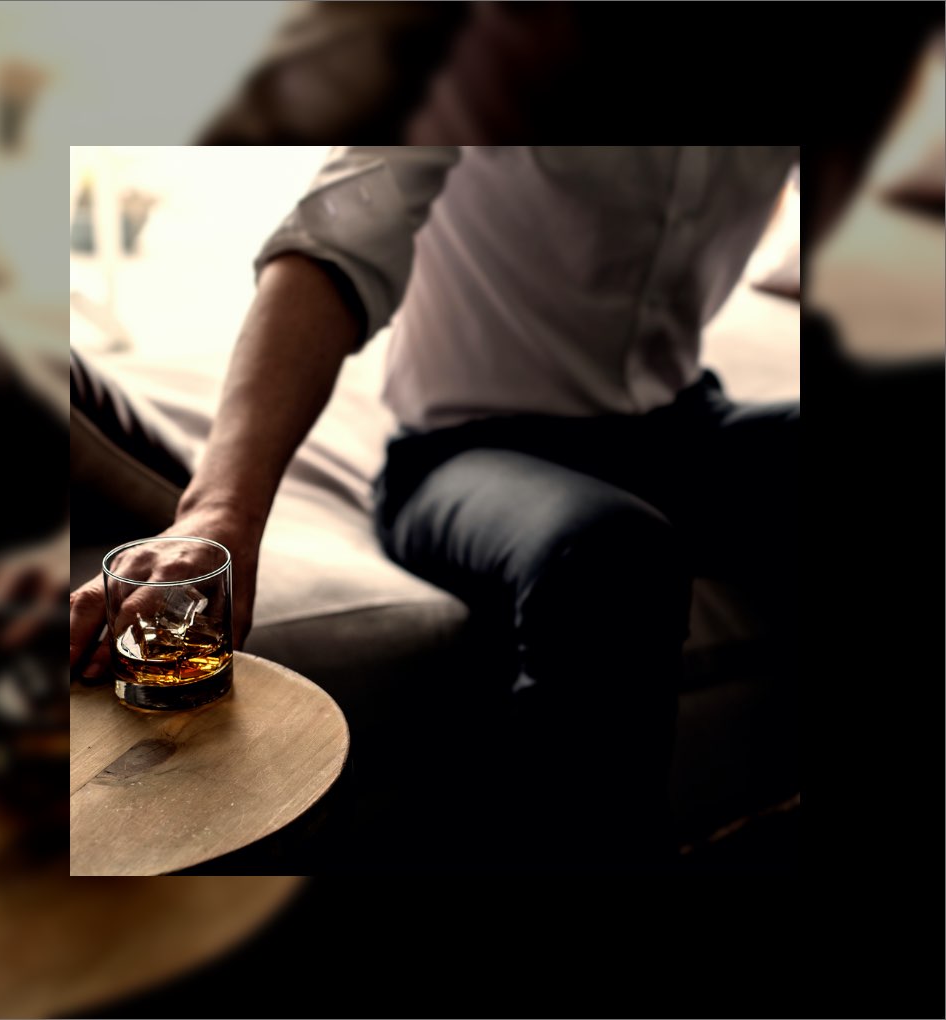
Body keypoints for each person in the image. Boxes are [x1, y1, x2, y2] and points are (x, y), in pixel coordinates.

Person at [69, 145, 800, 869]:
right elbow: (333, 241)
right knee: (612, 556)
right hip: (466, 447)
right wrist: (218, 515)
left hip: (683, 421)